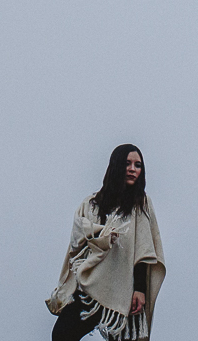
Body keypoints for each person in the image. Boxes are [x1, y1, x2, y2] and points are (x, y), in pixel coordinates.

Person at [47, 144, 166, 341]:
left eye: (138, 165)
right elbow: (78, 242)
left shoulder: (140, 203)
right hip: (91, 285)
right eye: (127, 163)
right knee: (61, 334)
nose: (132, 169)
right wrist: (101, 236)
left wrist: (140, 290)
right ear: (116, 165)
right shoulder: (92, 204)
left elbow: (144, 249)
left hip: (124, 290)